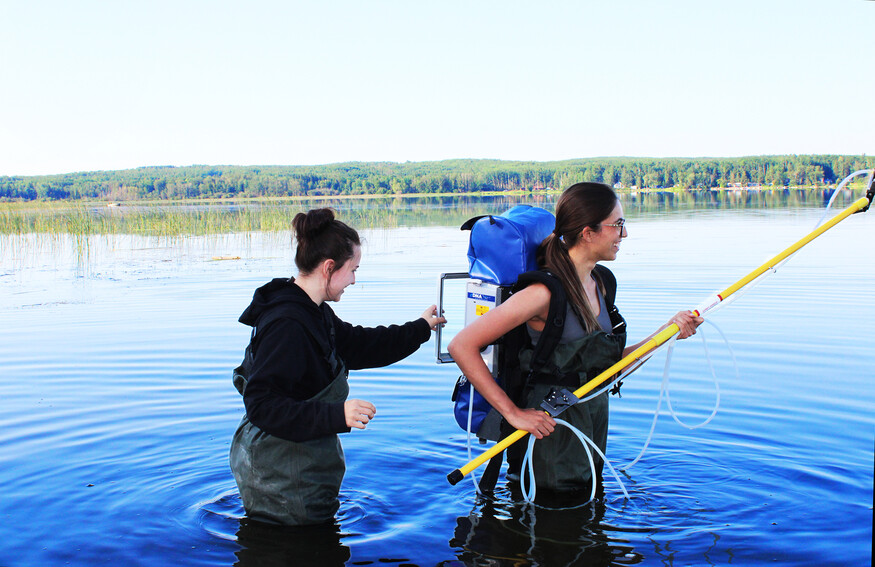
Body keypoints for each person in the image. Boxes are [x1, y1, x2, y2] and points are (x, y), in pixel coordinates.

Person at [448, 182, 702, 495]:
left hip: (590, 428)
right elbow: (461, 345)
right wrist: (514, 414)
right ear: (587, 232)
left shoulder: (602, 284)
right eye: (617, 225)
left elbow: (609, 370)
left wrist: (668, 333)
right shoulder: (541, 295)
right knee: (552, 524)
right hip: (549, 441)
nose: (624, 234)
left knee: (584, 517)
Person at [229, 207, 446, 526]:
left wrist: (419, 328)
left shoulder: (312, 311)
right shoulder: (287, 324)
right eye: (353, 269)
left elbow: (358, 346)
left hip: (296, 468)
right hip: (282, 477)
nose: (355, 280)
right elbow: (262, 405)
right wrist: (337, 415)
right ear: (329, 268)